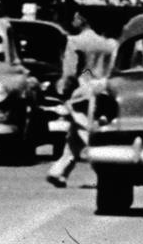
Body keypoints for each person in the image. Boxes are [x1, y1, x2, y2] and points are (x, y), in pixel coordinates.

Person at [45, 12, 115, 188]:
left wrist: (66, 85)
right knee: (75, 133)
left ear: (83, 20)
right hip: (104, 90)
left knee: (86, 133)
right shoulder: (110, 44)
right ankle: (60, 171)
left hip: (84, 92)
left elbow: (72, 71)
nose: (72, 20)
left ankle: (108, 171)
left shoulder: (75, 42)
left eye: (75, 17)